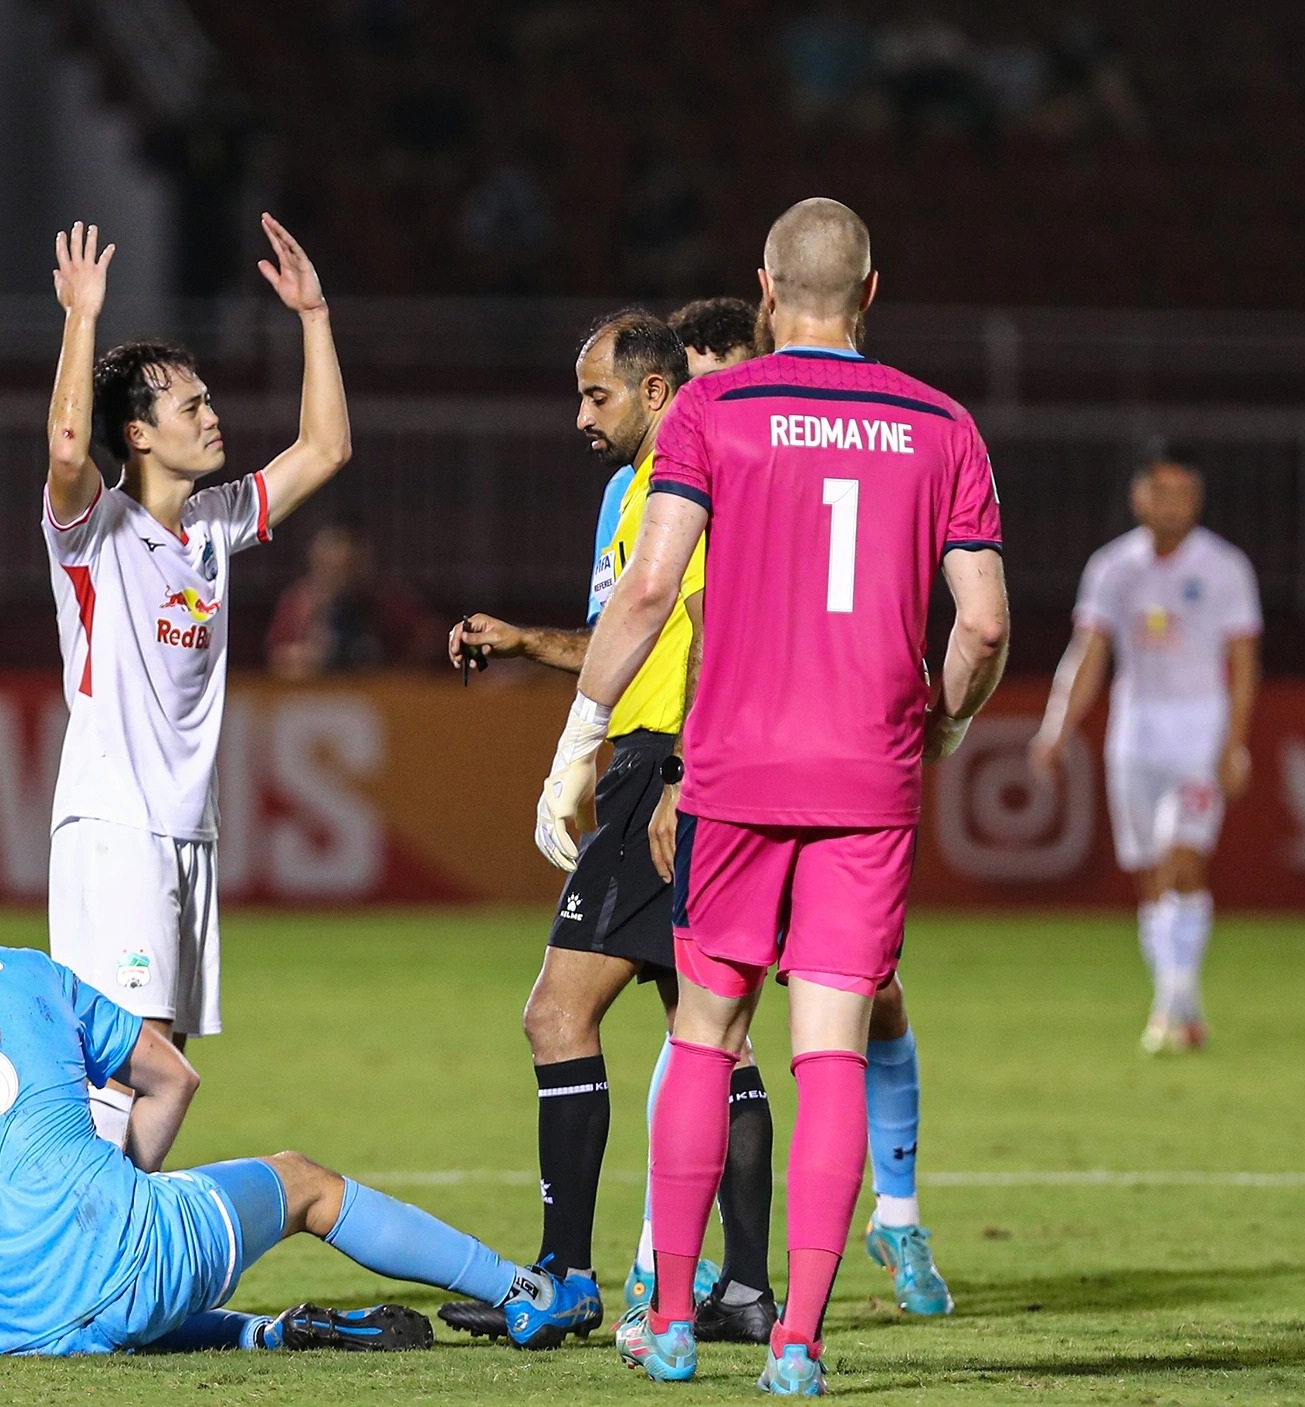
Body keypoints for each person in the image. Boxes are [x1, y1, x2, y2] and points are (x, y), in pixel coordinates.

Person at [553, 199, 1008, 1393]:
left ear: (763, 288)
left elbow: (648, 589)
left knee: (703, 1036)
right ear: (871, 290)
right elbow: (982, 624)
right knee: (831, 1055)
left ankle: (667, 1322)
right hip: (867, 774)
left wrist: (580, 737)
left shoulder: (713, 410)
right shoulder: (940, 424)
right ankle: (798, 1339)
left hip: (736, 769)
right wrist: (944, 723)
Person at [0, 927, 584, 1360]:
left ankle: (264, 1335)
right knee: (305, 1182)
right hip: (124, 1261)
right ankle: (526, 1291)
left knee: (98, 1298)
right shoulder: (28, 967)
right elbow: (174, 1077)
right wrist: (124, 1196)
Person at [441, 308, 779, 1347]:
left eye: (597, 396)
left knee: (557, 1013)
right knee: (711, 1033)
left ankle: (564, 1276)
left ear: (651, 391)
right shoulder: (636, 491)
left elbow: (717, 630)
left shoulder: (687, 480)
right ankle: (744, 1290)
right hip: (666, 760)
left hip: (665, 764)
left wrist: (682, 771)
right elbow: (623, 634)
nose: (580, 416)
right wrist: (523, 642)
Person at [674, 291, 960, 1322]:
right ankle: (722, 1281)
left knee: (791, 1009)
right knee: (757, 1024)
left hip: (751, 768)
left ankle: (894, 1213)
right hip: (823, 770)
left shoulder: (735, 436)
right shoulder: (916, 426)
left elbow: (683, 614)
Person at [41, 216, 351, 1159]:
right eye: (191, 405)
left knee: (160, 1052)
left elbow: (325, 449)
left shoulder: (213, 525)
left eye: (210, 400)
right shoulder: (94, 530)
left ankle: (109, 1228)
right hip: (115, 825)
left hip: (184, 829)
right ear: (139, 433)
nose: (213, 415)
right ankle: (85, 1233)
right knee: (133, 1059)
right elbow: (67, 450)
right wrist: (82, 317)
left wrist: (315, 318)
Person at [1029, 454, 1260, 1053]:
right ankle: (1182, 1002)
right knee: (1152, 875)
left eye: (1183, 491)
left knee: (1185, 859)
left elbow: (1242, 663)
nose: (1172, 504)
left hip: (1198, 733)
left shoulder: (1224, 566)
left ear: (1198, 498)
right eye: (1161, 490)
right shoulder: (1114, 567)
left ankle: (1168, 1007)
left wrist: (1235, 742)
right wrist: (1057, 727)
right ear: (1139, 496)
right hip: (1134, 735)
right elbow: (1088, 653)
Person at [266, 519, 437, 678]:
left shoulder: (389, 601)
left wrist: (394, 669)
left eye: (350, 567)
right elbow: (278, 658)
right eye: (332, 568)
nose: (342, 577)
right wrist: (312, 655)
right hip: (317, 693)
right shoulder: (298, 603)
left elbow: (430, 641)